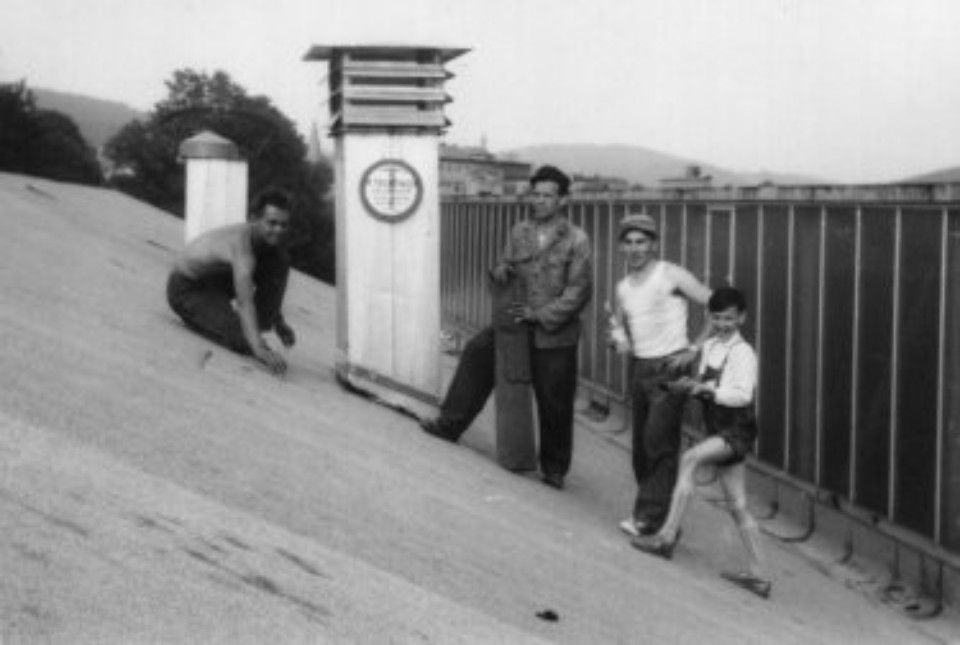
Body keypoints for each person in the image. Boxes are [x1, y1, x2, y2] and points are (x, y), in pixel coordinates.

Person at [420, 165, 593, 490]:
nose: (539, 201)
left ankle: (554, 468)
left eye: (547, 196)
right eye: (535, 194)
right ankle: (449, 424)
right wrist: (499, 271)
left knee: (554, 399)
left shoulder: (577, 240)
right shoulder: (520, 232)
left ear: (563, 201)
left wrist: (539, 314)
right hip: (514, 324)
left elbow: (579, 292)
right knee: (477, 353)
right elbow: (506, 265)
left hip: (554, 333)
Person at [629, 286, 771, 599]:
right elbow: (707, 385)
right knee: (737, 505)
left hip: (736, 431)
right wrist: (688, 386)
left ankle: (666, 537)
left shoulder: (743, 352)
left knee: (690, 458)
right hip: (718, 429)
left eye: (729, 319)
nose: (723, 324)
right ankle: (760, 576)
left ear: (742, 318)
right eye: (717, 318)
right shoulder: (710, 346)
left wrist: (707, 391)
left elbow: (742, 395)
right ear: (710, 317)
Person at [607, 211, 711, 536]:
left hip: (670, 368)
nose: (635, 249)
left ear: (653, 244)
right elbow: (619, 324)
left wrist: (694, 348)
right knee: (641, 446)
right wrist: (618, 339)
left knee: (659, 442)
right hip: (640, 368)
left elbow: (716, 304)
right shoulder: (623, 287)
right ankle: (661, 517)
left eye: (641, 242)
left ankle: (649, 519)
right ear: (621, 247)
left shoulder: (670, 273)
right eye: (628, 242)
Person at [167, 188, 296, 376]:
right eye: (272, 223)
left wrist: (279, 322)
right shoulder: (242, 247)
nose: (278, 230)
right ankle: (220, 322)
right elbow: (244, 301)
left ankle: (253, 325)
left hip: (217, 281)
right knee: (242, 339)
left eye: (284, 225)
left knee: (280, 260)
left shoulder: (264, 245)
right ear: (254, 218)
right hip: (188, 288)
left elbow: (270, 282)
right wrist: (258, 348)